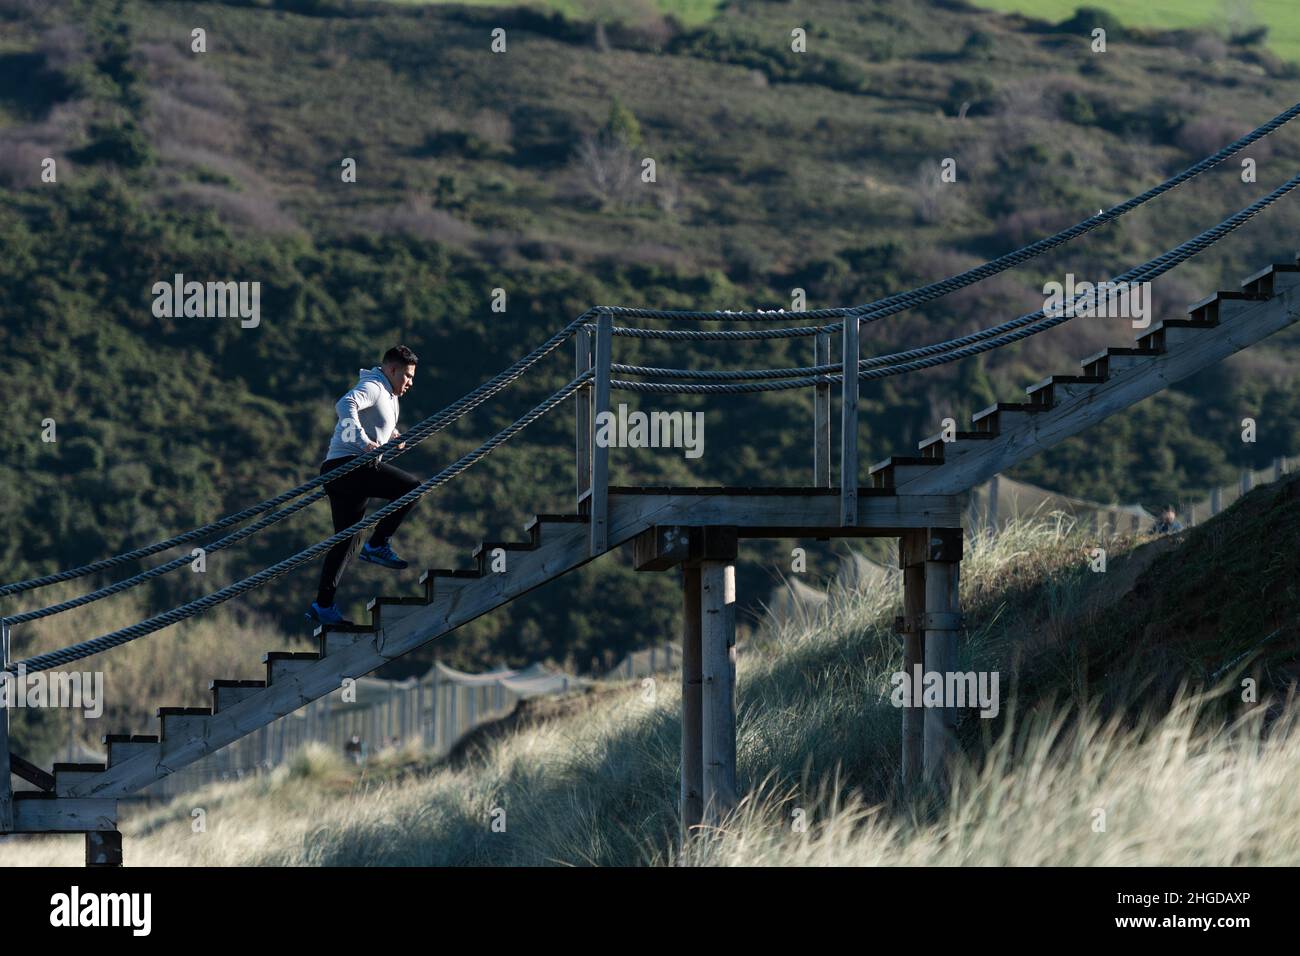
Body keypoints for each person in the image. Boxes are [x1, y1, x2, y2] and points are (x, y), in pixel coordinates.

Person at [307, 345, 421, 625]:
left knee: (346, 540)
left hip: (340, 473)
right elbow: (344, 404)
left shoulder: (389, 395)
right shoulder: (374, 385)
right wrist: (362, 441)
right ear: (392, 369)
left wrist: (391, 436)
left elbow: (374, 422)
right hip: (350, 467)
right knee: (412, 488)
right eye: (406, 376)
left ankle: (323, 606)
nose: (410, 383)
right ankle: (379, 543)